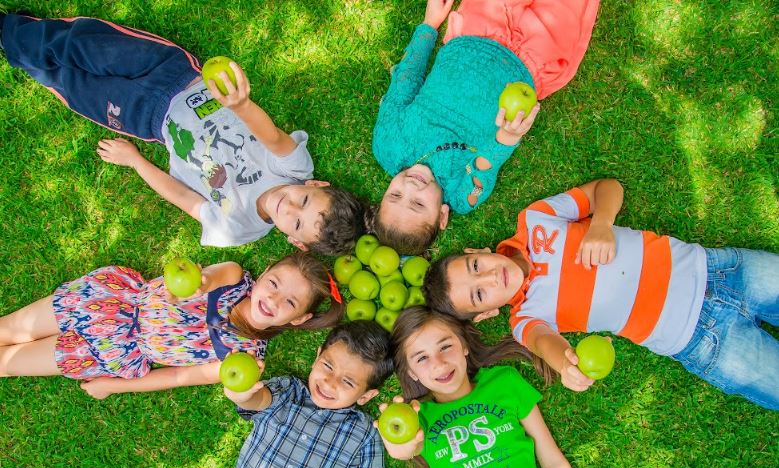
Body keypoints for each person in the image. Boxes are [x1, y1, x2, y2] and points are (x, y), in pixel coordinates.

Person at [0, 13, 365, 254]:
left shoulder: (238, 229)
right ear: (315, 185)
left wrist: (136, 162)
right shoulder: (294, 168)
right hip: (173, 73)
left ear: (295, 241)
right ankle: (12, 31)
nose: (290, 207)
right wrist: (241, 106)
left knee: (69, 85)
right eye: (304, 201)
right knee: (81, 44)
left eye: (297, 222)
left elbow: (184, 199)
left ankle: (19, 52)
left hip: (146, 121)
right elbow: (270, 136)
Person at [424, 178, 779, 410]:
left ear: (475, 252)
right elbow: (546, 344)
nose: (489, 276)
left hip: (720, 270)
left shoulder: (535, 220)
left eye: (474, 268)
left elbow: (606, 189)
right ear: (487, 313)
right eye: (480, 294)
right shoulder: (525, 318)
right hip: (700, 339)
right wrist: (566, 365)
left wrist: (600, 224)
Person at [370, 0, 600, 254]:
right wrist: (507, 137)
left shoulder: (388, 146)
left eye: (395, 196)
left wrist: (429, 25)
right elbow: (485, 166)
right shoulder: (460, 193)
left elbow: (406, 80)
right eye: (418, 204)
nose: (410, 188)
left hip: (477, 29)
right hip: (531, 61)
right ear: (442, 216)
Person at [0, 253, 344, 399]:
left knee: (8, 365)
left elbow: (178, 377)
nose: (273, 300)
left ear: (298, 319)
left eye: (289, 303)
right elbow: (211, 276)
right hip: (111, 299)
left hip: (113, 352)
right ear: (265, 273)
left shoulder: (245, 358)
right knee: (9, 328)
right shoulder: (235, 278)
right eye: (274, 283)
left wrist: (112, 386)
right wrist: (202, 281)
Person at [379, 307, 591, 468]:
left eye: (445, 347)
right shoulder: (419, 418)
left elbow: (553, 462)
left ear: (464, 346)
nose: (439, 363)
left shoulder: (504, 382)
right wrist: (400, 445)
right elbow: (407, 450)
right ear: (411, 373)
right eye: (422, 358)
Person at [214, 321, 394, 468]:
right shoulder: (288, 391)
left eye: (347, 381)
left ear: (365, 396)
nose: (329, 382)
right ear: (316, 358)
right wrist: (242, 394)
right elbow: (257, 401)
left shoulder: (363, 436)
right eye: (327, 365)